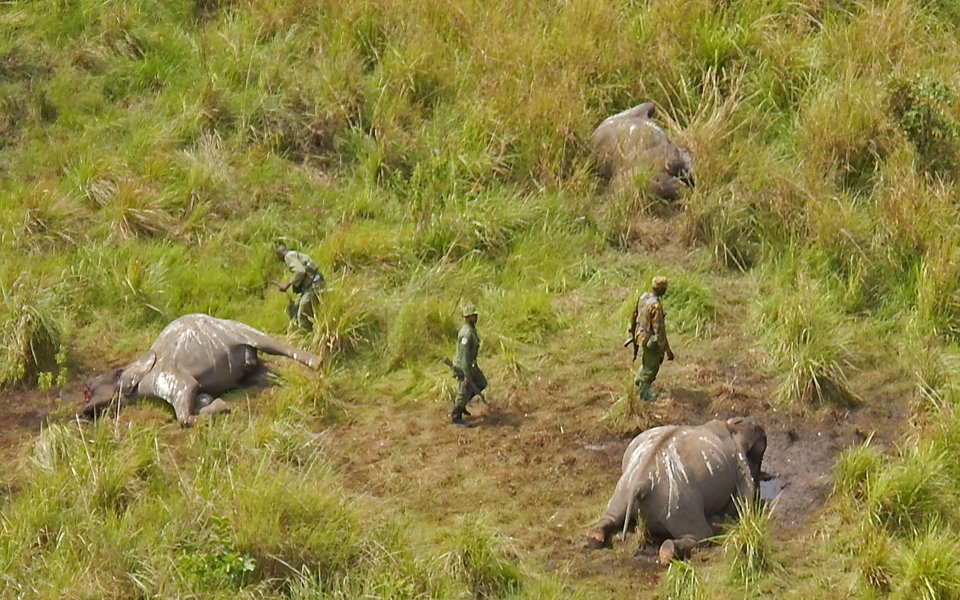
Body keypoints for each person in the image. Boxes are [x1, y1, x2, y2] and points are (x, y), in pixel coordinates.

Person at [630, 276, 674, 400]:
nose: (665, 291)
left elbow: (634, 314)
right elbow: (659, 331)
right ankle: (644, 393)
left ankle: (638, 380)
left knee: (646, 361)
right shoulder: (655, 306)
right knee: (652, 366)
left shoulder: (644, 296)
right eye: (664, 289)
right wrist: (667, 351)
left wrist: (632, 331)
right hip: (649, 339)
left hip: (639, 334)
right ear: (660, 290)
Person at [451, 304, 487, 427]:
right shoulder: (466, 334)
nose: (475, 317)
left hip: (470, 365)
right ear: (467, 317)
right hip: (463, 366)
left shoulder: (471, 329)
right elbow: (464, 356)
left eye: (475, 315)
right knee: (465, 390)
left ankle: (462, 404)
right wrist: (466, 375)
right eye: (472, 316)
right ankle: (456, 415)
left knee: (481, 383)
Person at [275, 245, 324, 330]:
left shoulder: (288, 257)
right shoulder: (295, 254)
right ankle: (300, 328)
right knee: (296, 306)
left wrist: (288, 284)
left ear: (280, 255)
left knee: (303, 309)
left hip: (314, 284)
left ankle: (305, 333)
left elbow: (300, 271)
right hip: (314, 283)